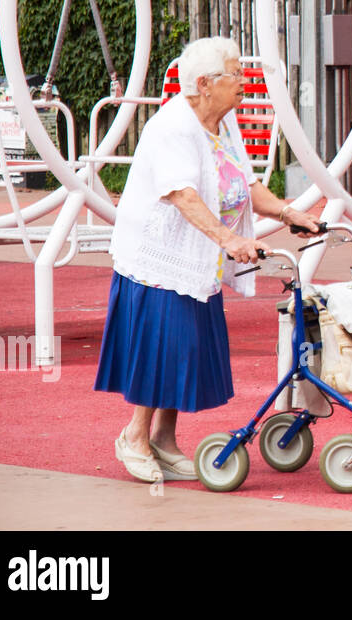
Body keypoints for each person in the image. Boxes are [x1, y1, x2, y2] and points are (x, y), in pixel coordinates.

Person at [94, 37, 321, 483]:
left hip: (196, 258)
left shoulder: (223, 123)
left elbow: (245, 183)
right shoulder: (174, 126)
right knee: (164, 348)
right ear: (203, 83)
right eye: (234, 74)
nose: (243, 81)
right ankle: (134, 437)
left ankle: (163, 439)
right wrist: (228, 238)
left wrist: (288, 212)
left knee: (185, 350)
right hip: (159, 257)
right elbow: (182, 194)